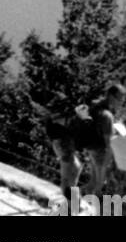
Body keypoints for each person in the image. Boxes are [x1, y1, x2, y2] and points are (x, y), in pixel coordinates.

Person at [38, 82, 126, 211]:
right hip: (62, 135)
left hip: (61, 133)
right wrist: (103, 170)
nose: (122, 102)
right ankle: (70, 206)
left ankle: (70, 204)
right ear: (112, 97)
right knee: (72, 170)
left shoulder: (96, 105)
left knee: (74, 169)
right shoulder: (106, 115)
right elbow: (108, 145)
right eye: (121, 99)